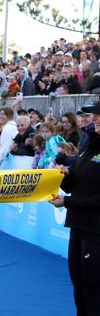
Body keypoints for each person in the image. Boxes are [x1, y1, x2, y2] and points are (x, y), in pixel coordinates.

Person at [50, 100, 100, 316]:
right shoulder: (88, 144)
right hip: (78, 226)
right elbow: (76, 184)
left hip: (96, 231)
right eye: (93, 115)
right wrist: (62, 177)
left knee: (93, 288)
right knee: (78, 286)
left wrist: (67, 202)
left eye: (98, 114)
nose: (94, 118)